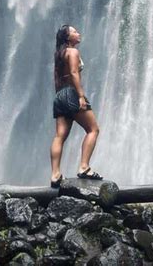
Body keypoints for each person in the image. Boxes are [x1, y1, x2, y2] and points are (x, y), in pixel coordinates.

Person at [50, 24, 103, 187]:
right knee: (93, 129)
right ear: (67, 37)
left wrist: (61, 97)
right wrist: (80, 96)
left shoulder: (59, 55)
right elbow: (74, 73)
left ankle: (55, 174)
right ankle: (84, 167)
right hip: (72, 93)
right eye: (74, 32)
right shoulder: (72, 52)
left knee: (60, 136)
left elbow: (57, 78)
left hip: (60, 95)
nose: (78, 33)